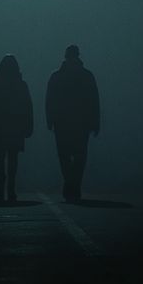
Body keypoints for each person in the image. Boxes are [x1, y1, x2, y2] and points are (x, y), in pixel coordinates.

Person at [45, 44, 100, 202]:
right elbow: (94, 101)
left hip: (63, 122)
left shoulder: (57, 76)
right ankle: (74, 183)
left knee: (66, 155)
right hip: (81, 122)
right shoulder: (86, 76)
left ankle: (70, 182)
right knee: (78, 155)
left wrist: (50, 119)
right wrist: (95, 122)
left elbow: (50, 101)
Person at [0, 55, 34, 202]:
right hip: (15, 126)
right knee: (13, 158)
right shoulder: (21, 85)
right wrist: (28, 126)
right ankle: (10, 186)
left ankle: (1, 182)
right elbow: (28, 107)